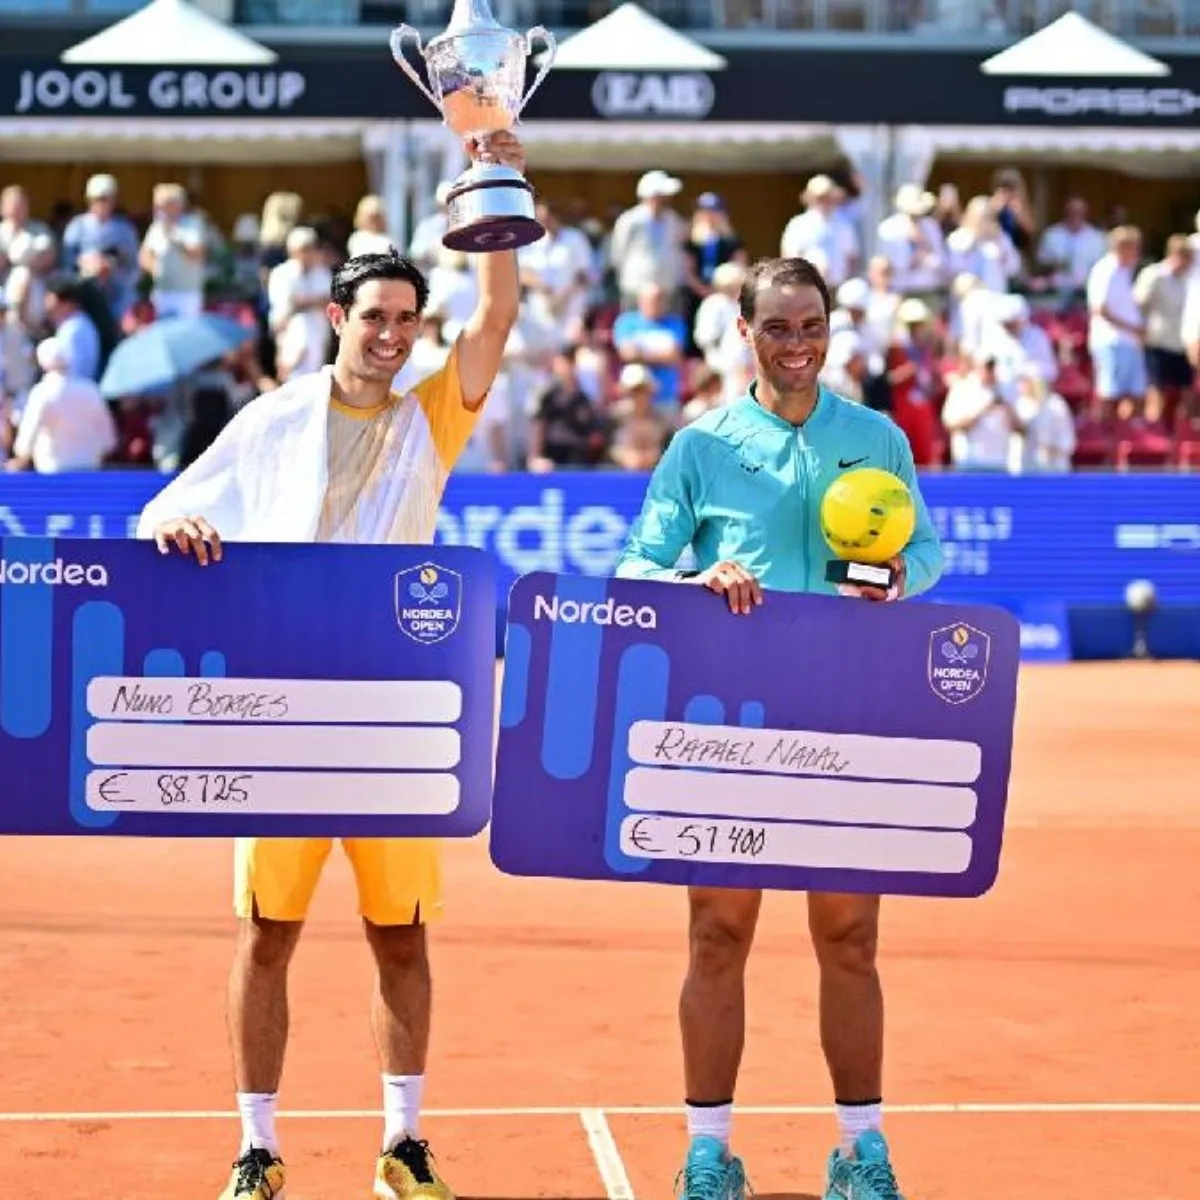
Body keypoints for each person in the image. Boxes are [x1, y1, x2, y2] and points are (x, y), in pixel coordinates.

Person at [134, 131, 525, 1200]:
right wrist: (178, 534)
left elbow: (497, 316)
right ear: (336, 319)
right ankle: (257, 1149)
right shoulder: (271, 422)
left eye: (408, 320)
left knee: (401, 937)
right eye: (378, 317)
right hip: (284, 716)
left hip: (397, 716)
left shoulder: (430, 420)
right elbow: (167, 513)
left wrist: (494, 169)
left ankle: (402, 1145)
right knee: (269, 934)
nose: (394, 335)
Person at [614, 256, 944, 1200]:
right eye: (777, 329)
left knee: (850, 941)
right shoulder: (702, 445)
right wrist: (696, 580)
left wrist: (900, 580)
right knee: (718, 935)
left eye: (810, 327)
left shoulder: (876, 438)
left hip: (849, 713)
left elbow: (924, 549)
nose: (795, 346)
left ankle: (861, 1151)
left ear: (830, 330)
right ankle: (710, 1154)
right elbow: (637, 566)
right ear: (744, 333)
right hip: (730, 724)